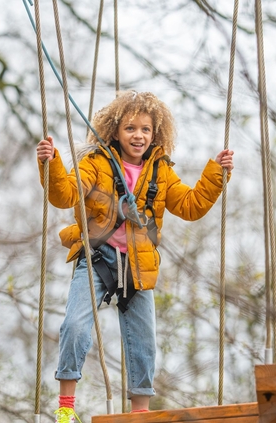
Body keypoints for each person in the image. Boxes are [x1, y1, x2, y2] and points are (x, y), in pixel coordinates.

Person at [36, 91, 234, 423]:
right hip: (98, 259)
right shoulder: (96, 164)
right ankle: (66, 406)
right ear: (115, 131)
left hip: (138, 266)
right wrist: (51, 163)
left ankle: (140, 413)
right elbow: (65, 194)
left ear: (155, 134)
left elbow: (190, 205)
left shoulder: (161, 172)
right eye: (130, 129)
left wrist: (216, 173)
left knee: (144, 341)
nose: (138, 136)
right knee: (74, 325)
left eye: (145, 129)